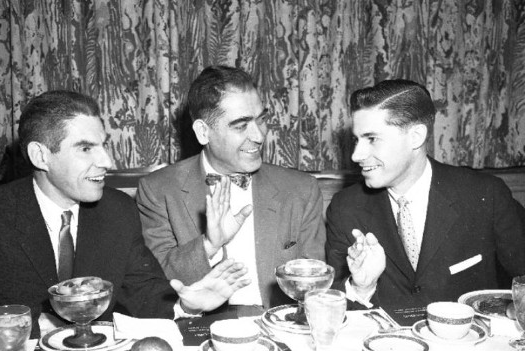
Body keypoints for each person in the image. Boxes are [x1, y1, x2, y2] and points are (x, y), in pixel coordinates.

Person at [0, 90, 250, 344]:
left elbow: (144, 295)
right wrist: (38, 326)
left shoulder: (117, 211)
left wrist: (188, 305)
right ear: (41, 155)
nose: (106, 160)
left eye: (103, 146)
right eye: (85, 148)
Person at [325, 79, 525, 325]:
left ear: (416, 136)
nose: (356, 155)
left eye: (372, 139)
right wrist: (360, 286)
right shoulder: (345, 208)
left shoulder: (485, 195)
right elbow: (331, 307)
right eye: (357, 140)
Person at [136, 65, 326, 315]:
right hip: (199, 325)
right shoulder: (159, 190)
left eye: (261, 119)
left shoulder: (302, 189)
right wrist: (209, 245)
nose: (258, 135)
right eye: (240, 125)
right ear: (203, 132)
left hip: (280, 324)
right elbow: (157, 284)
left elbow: (314, 284)